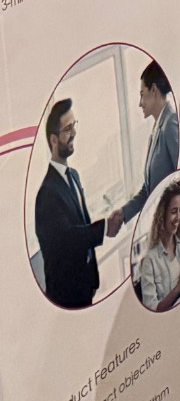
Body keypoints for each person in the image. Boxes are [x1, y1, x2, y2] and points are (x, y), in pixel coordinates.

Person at [34, 99, 124, 309]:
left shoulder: (73, 175)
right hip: (67, 296)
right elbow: (67, 240)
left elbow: (82, 222)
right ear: (53, 140)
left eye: (74, 125)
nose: (74, 133)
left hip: (85, 286)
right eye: (68, 129)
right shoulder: (46, 194)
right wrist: (104, 228)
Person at [122, 60, 180, 219]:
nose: (140, 103)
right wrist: (123, 213)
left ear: (154, 90)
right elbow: (149, 189)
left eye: (142, 94)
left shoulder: (170, 123)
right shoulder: (157, 128)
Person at [136, 178, 180, 311]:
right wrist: (178, 287)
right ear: (162, 215)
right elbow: (153, 309)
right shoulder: (150, 261)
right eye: (174, 211)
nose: (178, 217)